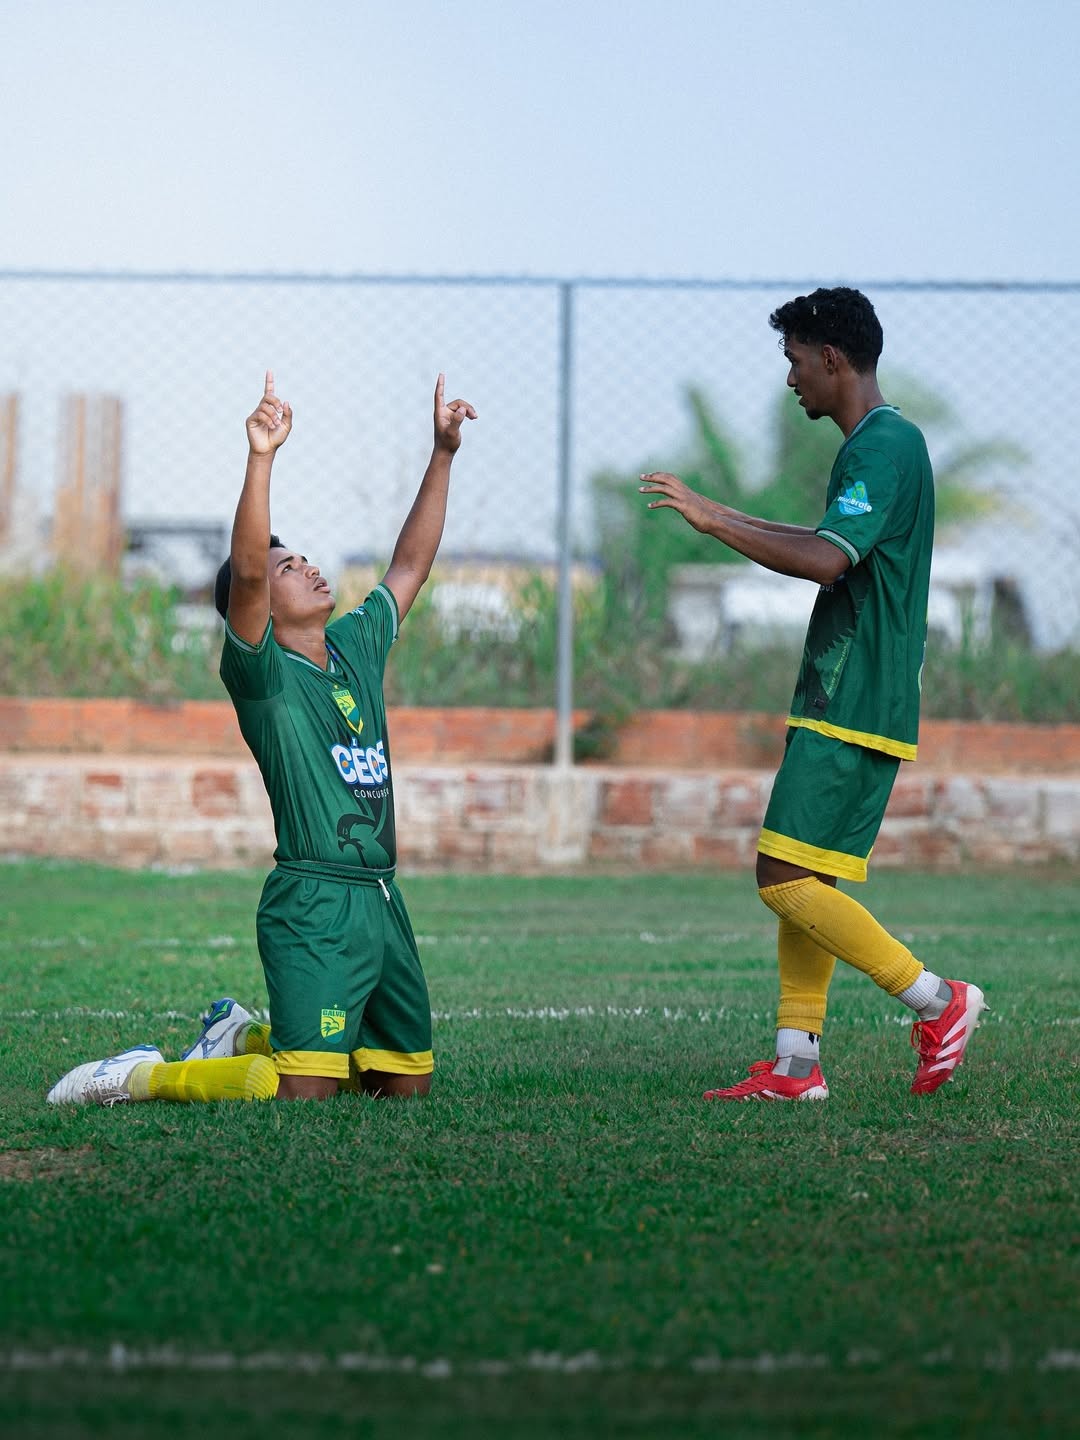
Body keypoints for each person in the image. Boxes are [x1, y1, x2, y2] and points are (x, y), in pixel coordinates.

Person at [47, 370, 477, 1107]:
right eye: (288, 566)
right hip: (311, 898)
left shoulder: (356, 647)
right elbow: (246, 571)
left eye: (302, 556)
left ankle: (241, 1033)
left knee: (401, 1088)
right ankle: (140, 1077)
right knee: (298, 1092)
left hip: (379, 900)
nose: (304, 565)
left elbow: (410, 566)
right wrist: (262, 456)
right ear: (262, 607)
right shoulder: (263, 673)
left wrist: (442, 453)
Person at [639, 286, 985, 1101]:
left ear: (833, 358)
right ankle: (796, 1065)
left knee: (780, 875)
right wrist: (721, 514)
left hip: (855, 696)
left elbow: (829, 562)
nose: (790, 379)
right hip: (853, 693)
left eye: (794, 361)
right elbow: (831, 544)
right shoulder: (879, 444)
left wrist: (713, 520)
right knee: (810, 876)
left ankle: (939, 1000)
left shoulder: (881, 446)